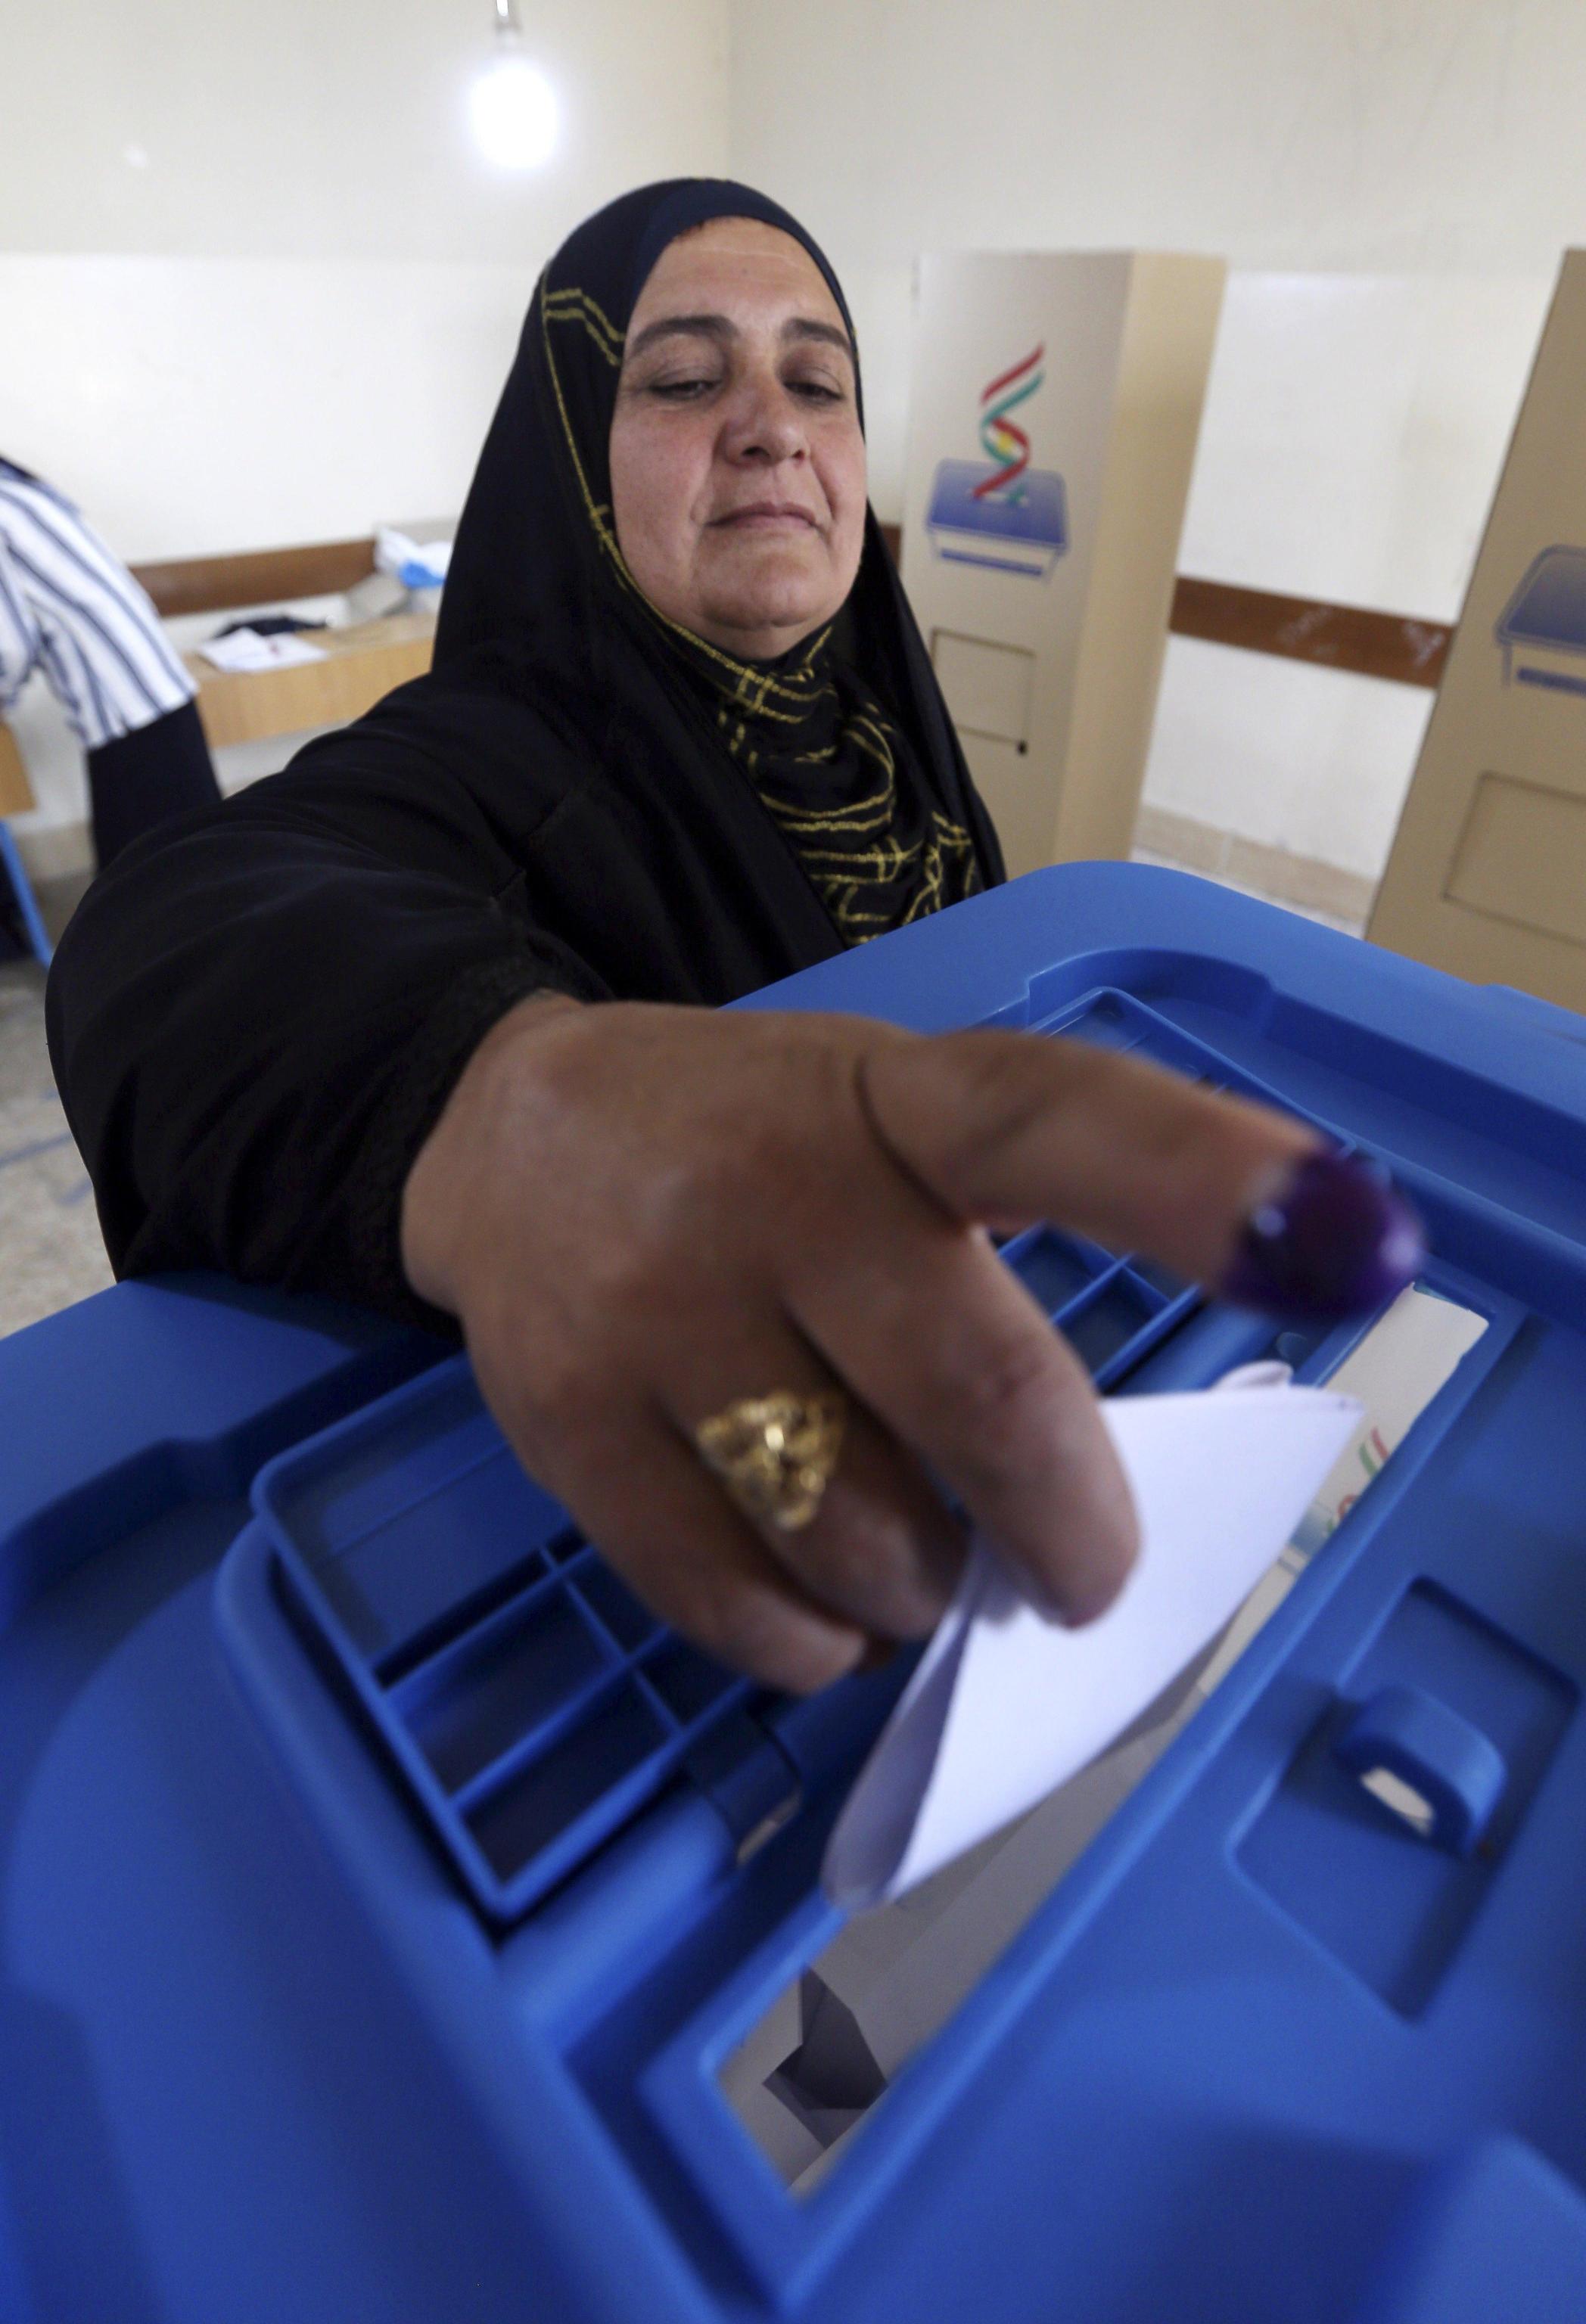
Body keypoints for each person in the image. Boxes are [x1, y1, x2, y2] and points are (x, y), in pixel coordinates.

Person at [45, 181, 1420, 1693]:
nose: (770, 424)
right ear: (567, 446)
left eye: (816, 381)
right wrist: (512, 1103)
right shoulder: (501, 758)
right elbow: (177, 925)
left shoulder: (890, 737)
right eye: (687, 378)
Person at [0, 458, 221, 867]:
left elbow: (8, 645)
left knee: (142, 878)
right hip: (160, 693)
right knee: (194, 851)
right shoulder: (22, 492)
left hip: (124, 710)